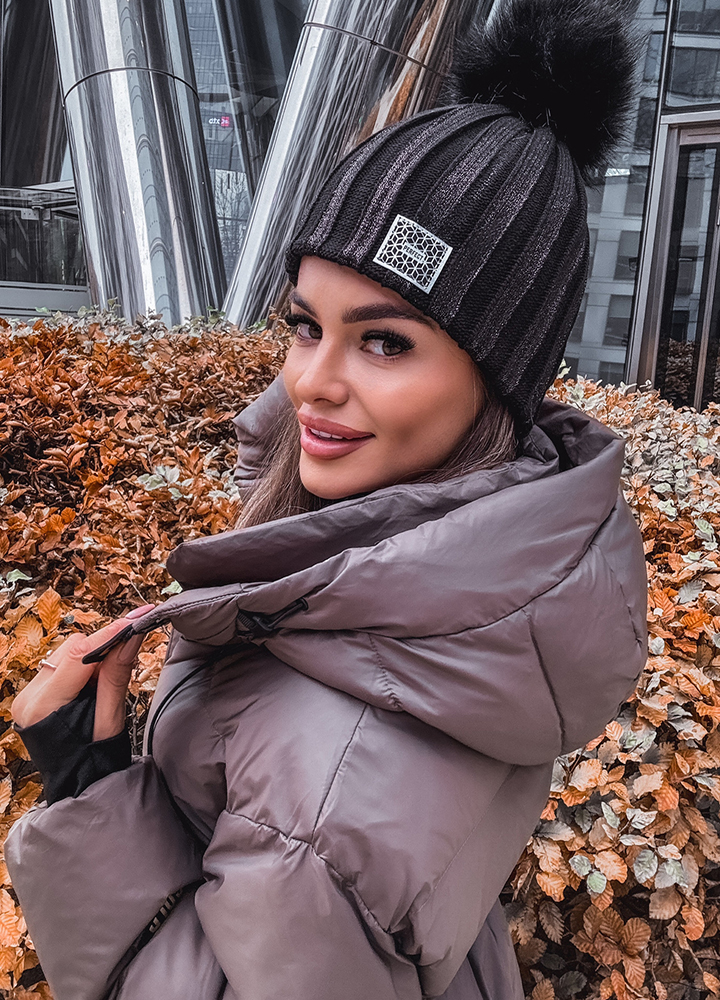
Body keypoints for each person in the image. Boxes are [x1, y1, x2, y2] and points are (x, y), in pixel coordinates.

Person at [7, 1, 648, 997]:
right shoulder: (476, 590)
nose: (309, 382)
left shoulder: (331, 767)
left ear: (498, 382)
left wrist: (88, 789)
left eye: (385, 341)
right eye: (306, 325)